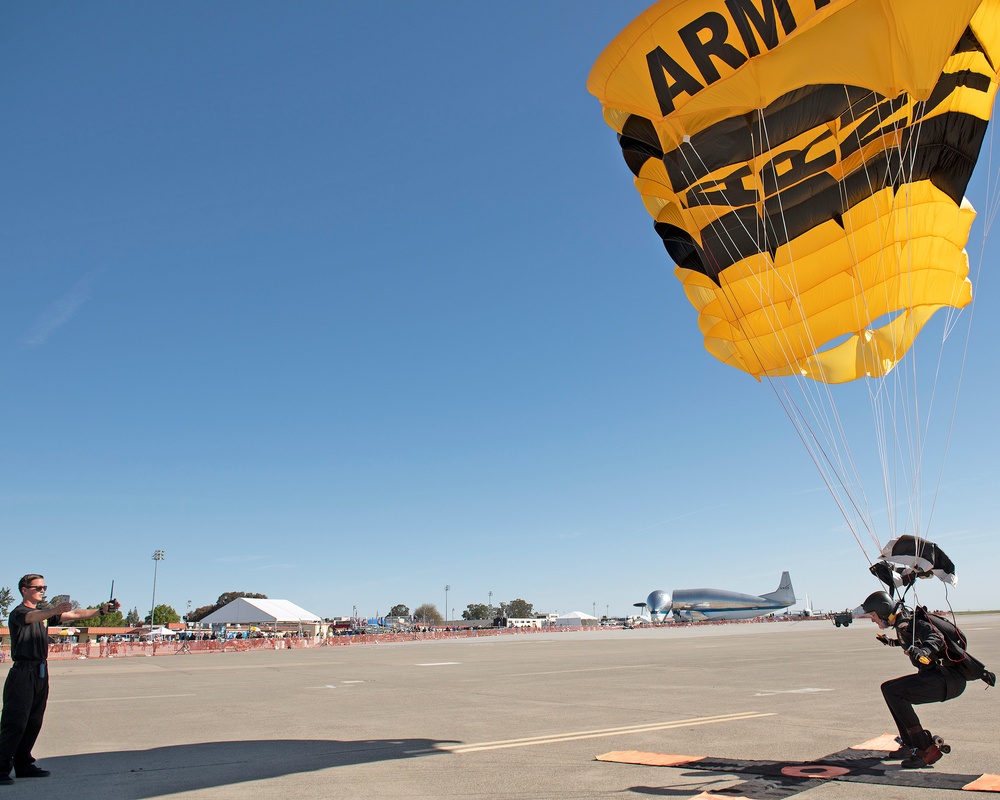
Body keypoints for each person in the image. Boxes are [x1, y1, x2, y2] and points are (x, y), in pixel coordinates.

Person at [0, 574, 119, 784]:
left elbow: (74, 614)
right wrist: (54, 610)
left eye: (44, 587)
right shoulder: (19, 613)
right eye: (38, 588)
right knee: (15, 722)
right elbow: (31, 618)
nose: (42, 591)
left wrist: (101, 611)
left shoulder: (43, 615)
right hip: (22, 674)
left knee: (34, 721)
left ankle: (23, 763)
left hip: (40, 672)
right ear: (24, 590)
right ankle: (0, 767)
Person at [861, 590, 968, 769]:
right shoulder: (903, 624)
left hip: (948, 679)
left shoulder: (912, 622)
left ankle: (925, 750)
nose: (872, 619)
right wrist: (891, 642)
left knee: (895, 693)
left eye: (873, 615)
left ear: (883, 610)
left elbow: (937, 638)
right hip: (938, 677)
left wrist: (924, 651)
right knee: (888, 688)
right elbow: (909, 641)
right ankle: (910, 745)